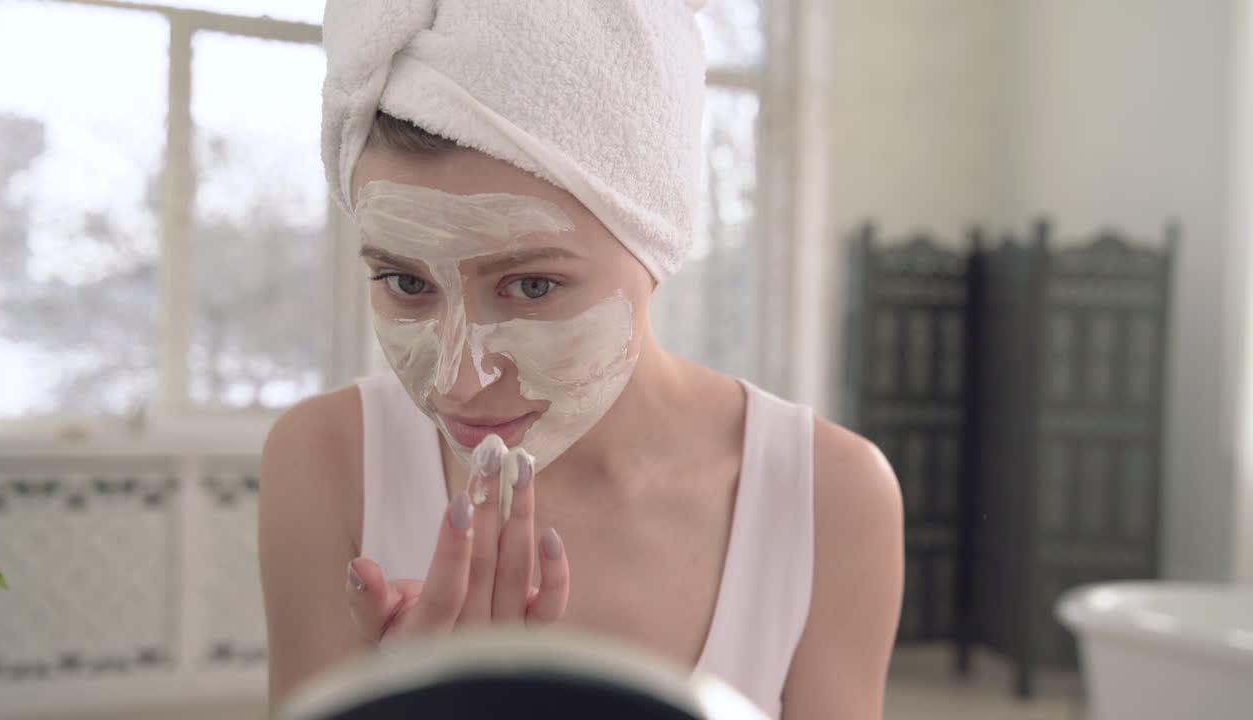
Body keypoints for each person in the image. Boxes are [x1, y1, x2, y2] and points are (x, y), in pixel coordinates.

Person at [259, 2, 904, 719]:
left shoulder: (828, 495)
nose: (457, 383)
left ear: (655, 244)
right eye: (407, 283)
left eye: (532, 285)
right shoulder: (325, 460)